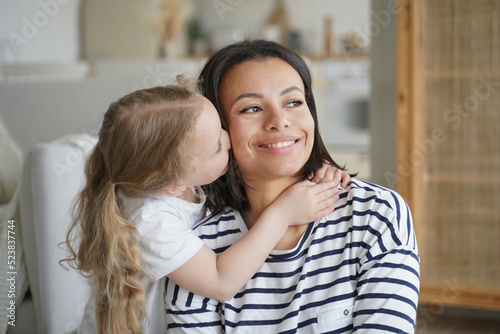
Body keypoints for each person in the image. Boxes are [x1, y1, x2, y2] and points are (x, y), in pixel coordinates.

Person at [165, 40, 420, 333]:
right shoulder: (197, 253)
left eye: (293, 102)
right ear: (217, 130)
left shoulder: (374, 214)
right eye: (251, 108)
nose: (279, 121)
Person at [63, 81, 350, 334]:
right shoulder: (150, 220)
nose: (227, 140)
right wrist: (283, 213)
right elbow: (221, 281)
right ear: (174, 184)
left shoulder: (176, 175)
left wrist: (312, 167)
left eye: (221, 128)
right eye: (215, 147)